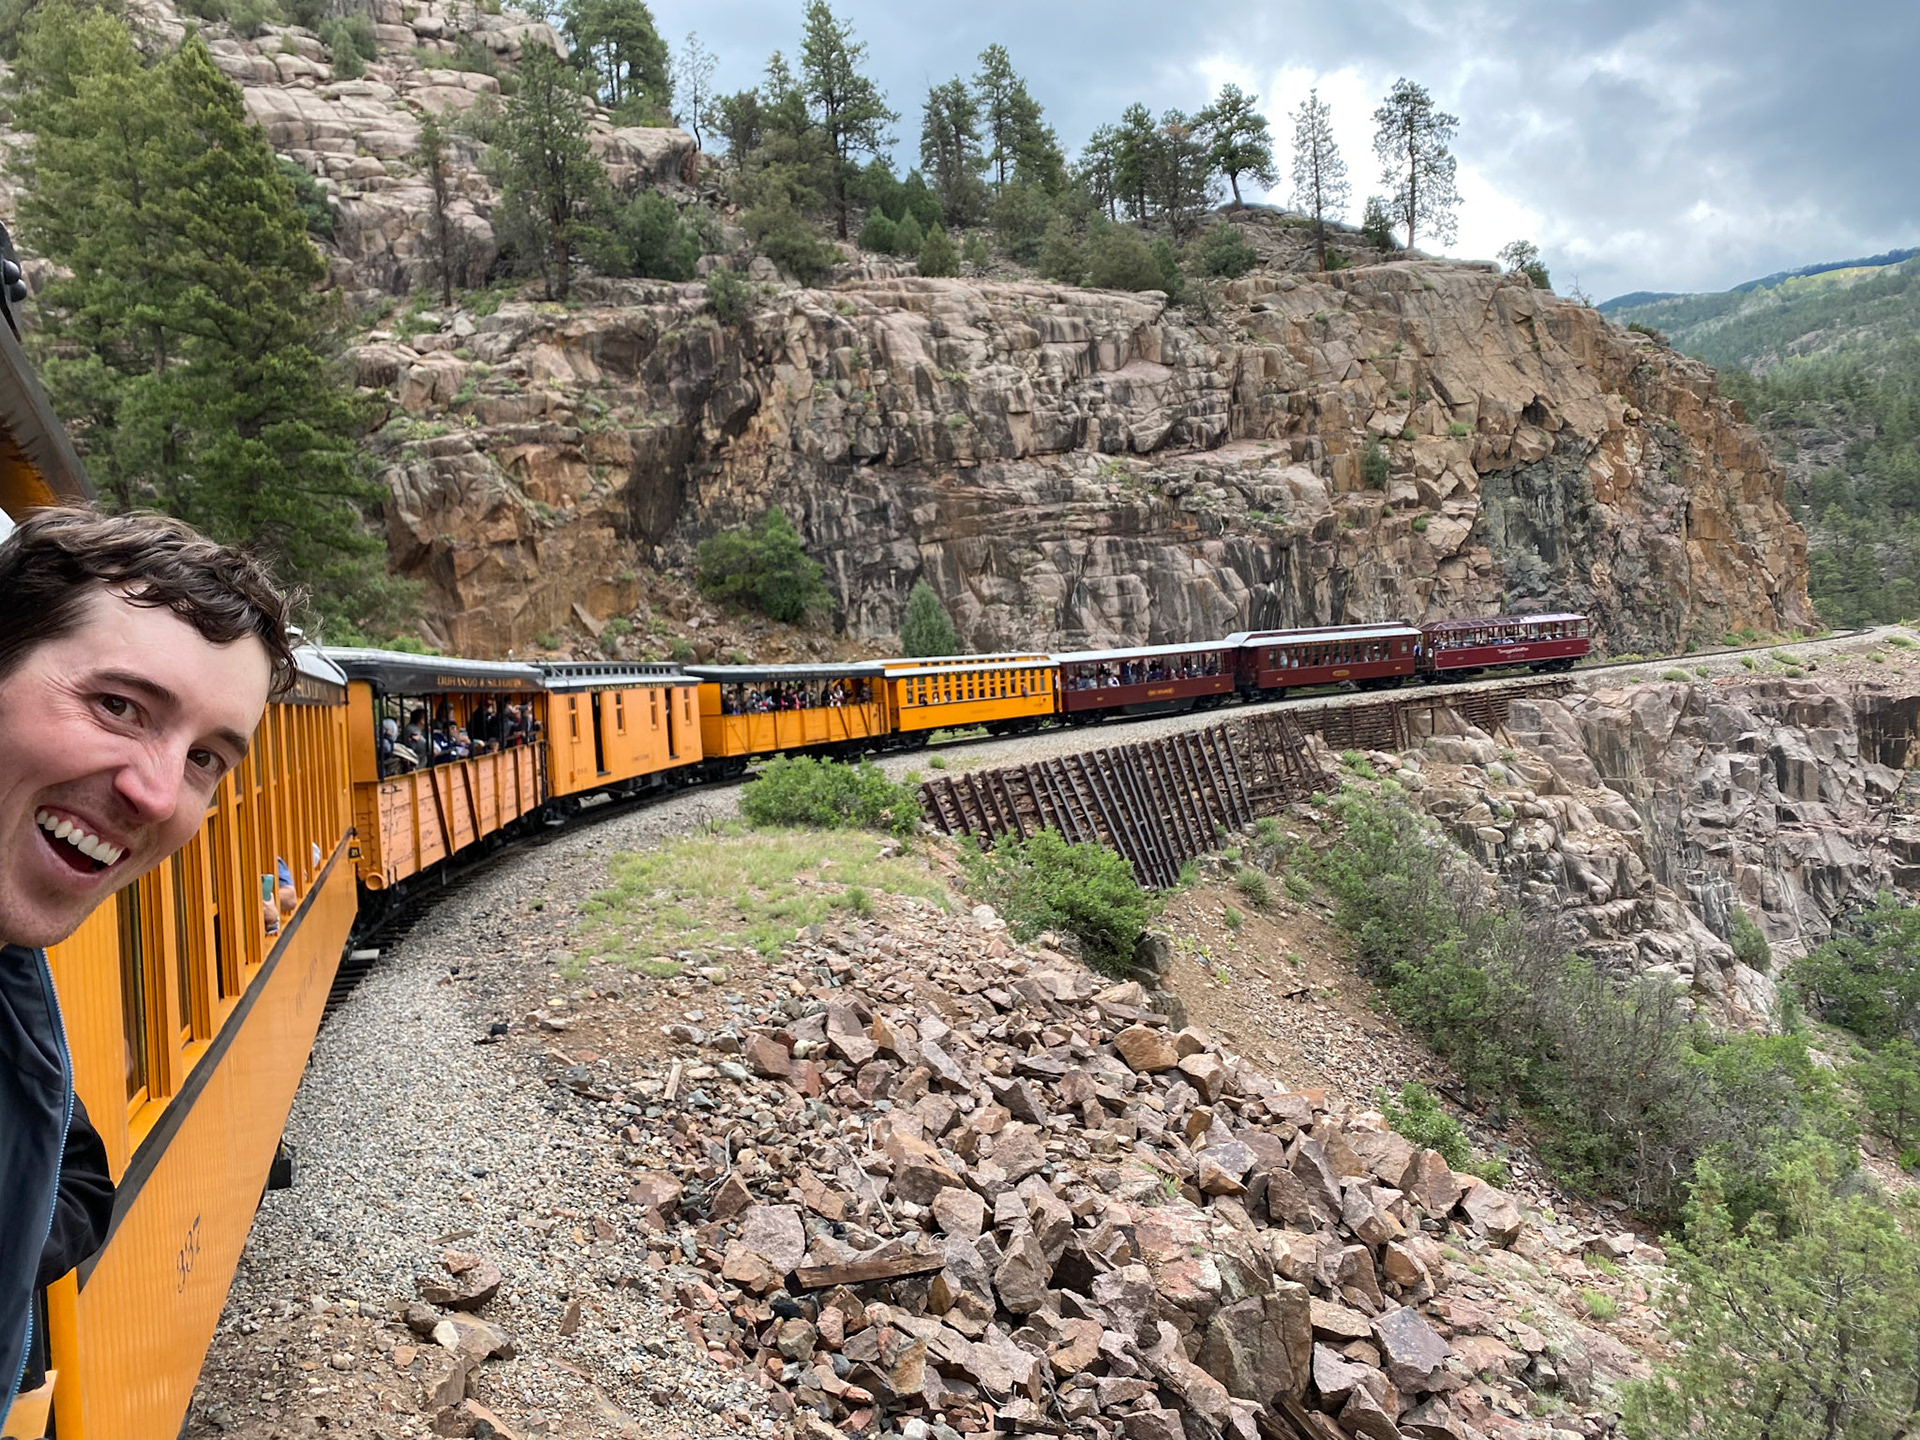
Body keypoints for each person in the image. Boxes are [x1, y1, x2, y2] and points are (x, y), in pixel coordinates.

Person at [0, 507, 292, 1421]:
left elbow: (79, 1170)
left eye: (207, 758)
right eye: (117, 705)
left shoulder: (15, 986)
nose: (158, 794)